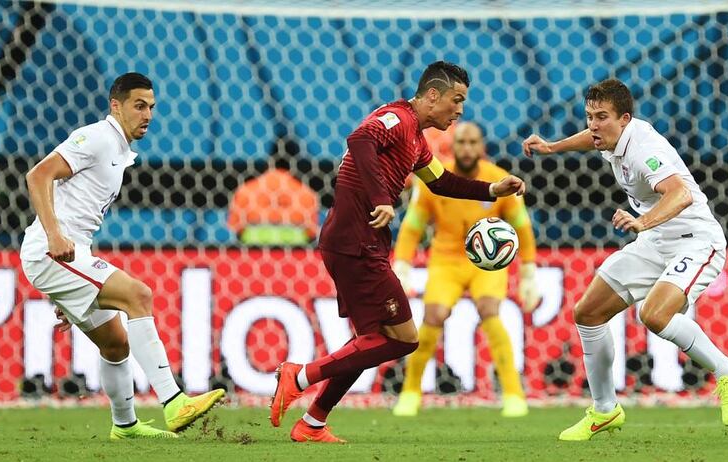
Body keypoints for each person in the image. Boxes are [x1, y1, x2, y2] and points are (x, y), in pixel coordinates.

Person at [269, 61, 526, 443]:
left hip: (355, 242)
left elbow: (440, 182)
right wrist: (380, 200)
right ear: (433, 95)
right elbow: (359, 139)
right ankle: (300, 375)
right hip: (356, 243)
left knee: (369, 340)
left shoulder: (417, 140)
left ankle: (313, 423)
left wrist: (490, 191)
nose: (460, 110)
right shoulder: (397, 118)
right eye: (456, 100)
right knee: (405, 337)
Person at [522, 79, 728, 441]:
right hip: (655, 240)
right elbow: (590, 139)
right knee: (588, 313)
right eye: (589, 116)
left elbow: (681, 194)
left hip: (695, 242)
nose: (593, 125)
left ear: (624, 118)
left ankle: (727, 371)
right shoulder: (612, 138)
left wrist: (641, 221)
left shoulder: (644, 147)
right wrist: (552, 147)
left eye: (602, 118)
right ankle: (605, 410)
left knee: (655, 315)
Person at [20, 73, 225, 440]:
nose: (147, 115)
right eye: (139, 105)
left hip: (68, 255)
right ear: (116, 106)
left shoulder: (118, 149)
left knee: (115, 342)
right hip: (50, 250)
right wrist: (54, 234)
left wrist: (68, 289)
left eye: (151, 107)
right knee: (138, 295)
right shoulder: (97, 137)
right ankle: (174, 401)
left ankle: (125, 425)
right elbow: (38, 176)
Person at [391, 122, 540, 418]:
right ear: (453, 145)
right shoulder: (433, 179)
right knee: (433, 317)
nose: (467, 148)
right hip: (446, 260)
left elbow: (522, 227)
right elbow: (412, 226)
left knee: (490, 311)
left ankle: (513, 393)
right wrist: (403, 264)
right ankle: (410, 392)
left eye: (473, 142)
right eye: (461, 142)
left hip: (486, 264)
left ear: (482, 146)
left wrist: (528, 272)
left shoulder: (499, 181)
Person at [227, 139, 319, 246]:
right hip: (293, 247)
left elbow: (235, 227)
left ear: (270, 158)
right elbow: (312, 232)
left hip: (254, 246)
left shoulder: (247, 189)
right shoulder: (305, 192)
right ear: (295, 161)